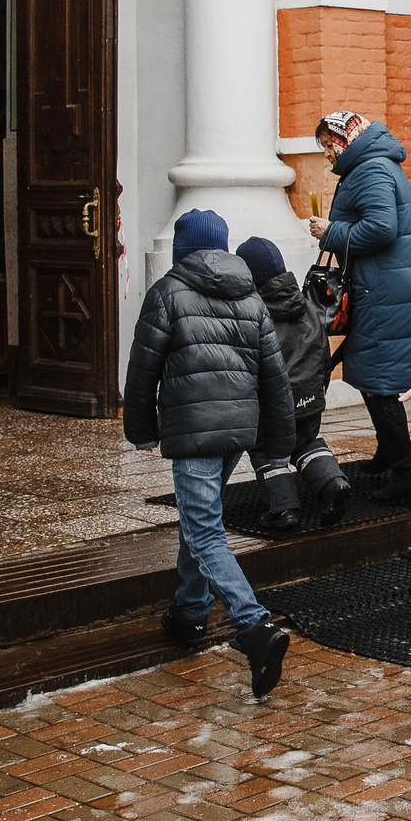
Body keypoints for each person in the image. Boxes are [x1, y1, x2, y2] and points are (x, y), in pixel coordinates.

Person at [123, 209, 294, 701]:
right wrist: (277, 441)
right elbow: (274, 376)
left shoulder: (167, 294)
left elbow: (142, 370)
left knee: (203, 527)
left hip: (193, 431)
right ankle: (190, 613)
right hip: (236, 433)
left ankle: (254, 626)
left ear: (181, 250)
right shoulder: (250, 296)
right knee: (200, 518)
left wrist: (141, 430)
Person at [307, 112, 411, 503]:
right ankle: (388, 451)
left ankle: (405, 477)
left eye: (329, 146)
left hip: (389, 287)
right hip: (388, 282)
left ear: (344, 141)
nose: (327, 155)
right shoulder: (371, 165)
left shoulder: (371, 170)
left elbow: (382, 228)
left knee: (380, 382)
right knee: (369, 372)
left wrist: (329, 232)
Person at [235, 237, 350, 532]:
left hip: (274, 407)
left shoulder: (254, 315)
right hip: (310, 398)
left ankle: (284, 510)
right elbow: (323, 355)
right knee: (307, 443)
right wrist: (317, 391)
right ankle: (333, 483)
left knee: (267, 451)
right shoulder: (307, 305)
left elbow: (250, 367)